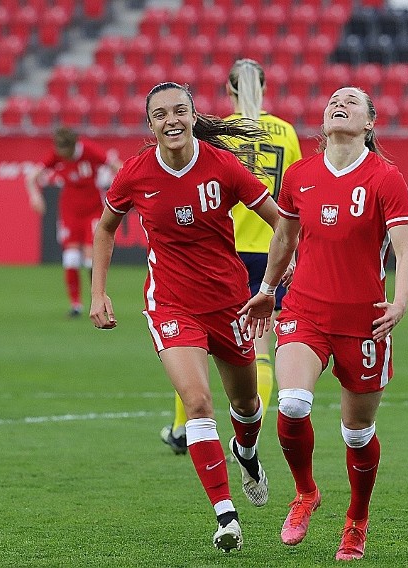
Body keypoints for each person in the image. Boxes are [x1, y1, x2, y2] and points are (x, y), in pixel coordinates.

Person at [89, 82, 281, 552]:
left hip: (229, 300)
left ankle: (248, 453)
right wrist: (99, 293)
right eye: (160, 114)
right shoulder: (135, 173)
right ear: (150, 125)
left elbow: (281, 221)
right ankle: (225, 515)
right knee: (197, 402)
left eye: (179, 110)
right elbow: (105, 228)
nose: (171, 120)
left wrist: (276, 277)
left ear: (193, 116)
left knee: (247, 407)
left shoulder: (223, 166)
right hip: (171, 302)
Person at [239, 87, 408, 561]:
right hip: (305, 310)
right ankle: (305, 493)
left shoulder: (386, 178)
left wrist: (399, 303)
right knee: (293, 403)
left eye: (353, 101)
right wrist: (267, 288)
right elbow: (284, 238)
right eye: (335, 99)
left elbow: (405, 250)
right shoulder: (300, 176)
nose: (340, 103)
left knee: (357, 433)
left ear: (369, 124)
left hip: (365, 320)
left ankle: (357, 521)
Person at [160, 58, 302, 455]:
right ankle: (252, 429)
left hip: (222, 250)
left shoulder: (219, 132)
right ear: (266, 88)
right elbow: (290, 200)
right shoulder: (286, 133)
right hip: (269, 249)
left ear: (230, 90)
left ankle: (182, 427)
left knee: (195, 341)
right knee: (260, 346)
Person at [26, 127, 122, 317]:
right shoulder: (57, 153)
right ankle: (75, 305)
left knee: (89, 260)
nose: (62, 156)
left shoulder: (89, 150)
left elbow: (117, 166)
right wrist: (34, 196)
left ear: (72, 146)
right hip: (70, 212)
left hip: (93, 210)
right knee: (70, 259)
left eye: (65, 152)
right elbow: (31, 177)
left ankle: (97, 296)